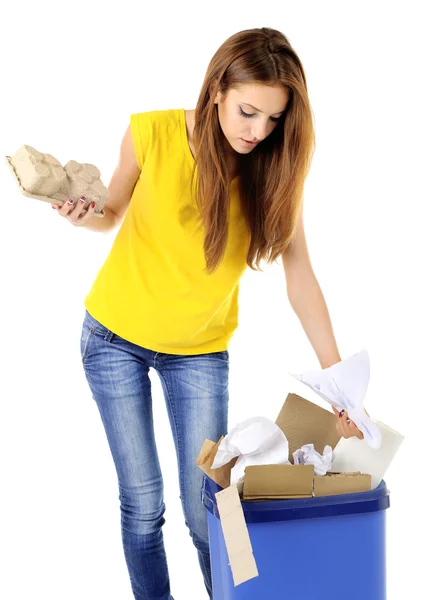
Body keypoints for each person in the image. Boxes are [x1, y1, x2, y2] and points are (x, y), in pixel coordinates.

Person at [52, 26, 364, 600]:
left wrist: (339, 384)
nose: (258, 132)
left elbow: (301, 278)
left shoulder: (272, 171)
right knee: (143, 504)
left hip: (197, 353)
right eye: (248, 112)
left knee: (213, 504)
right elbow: (110, 212)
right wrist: (81, 213)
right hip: (112, 338)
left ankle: (244, 595)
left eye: (273, 119)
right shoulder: (153, 131)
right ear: (217, 88)